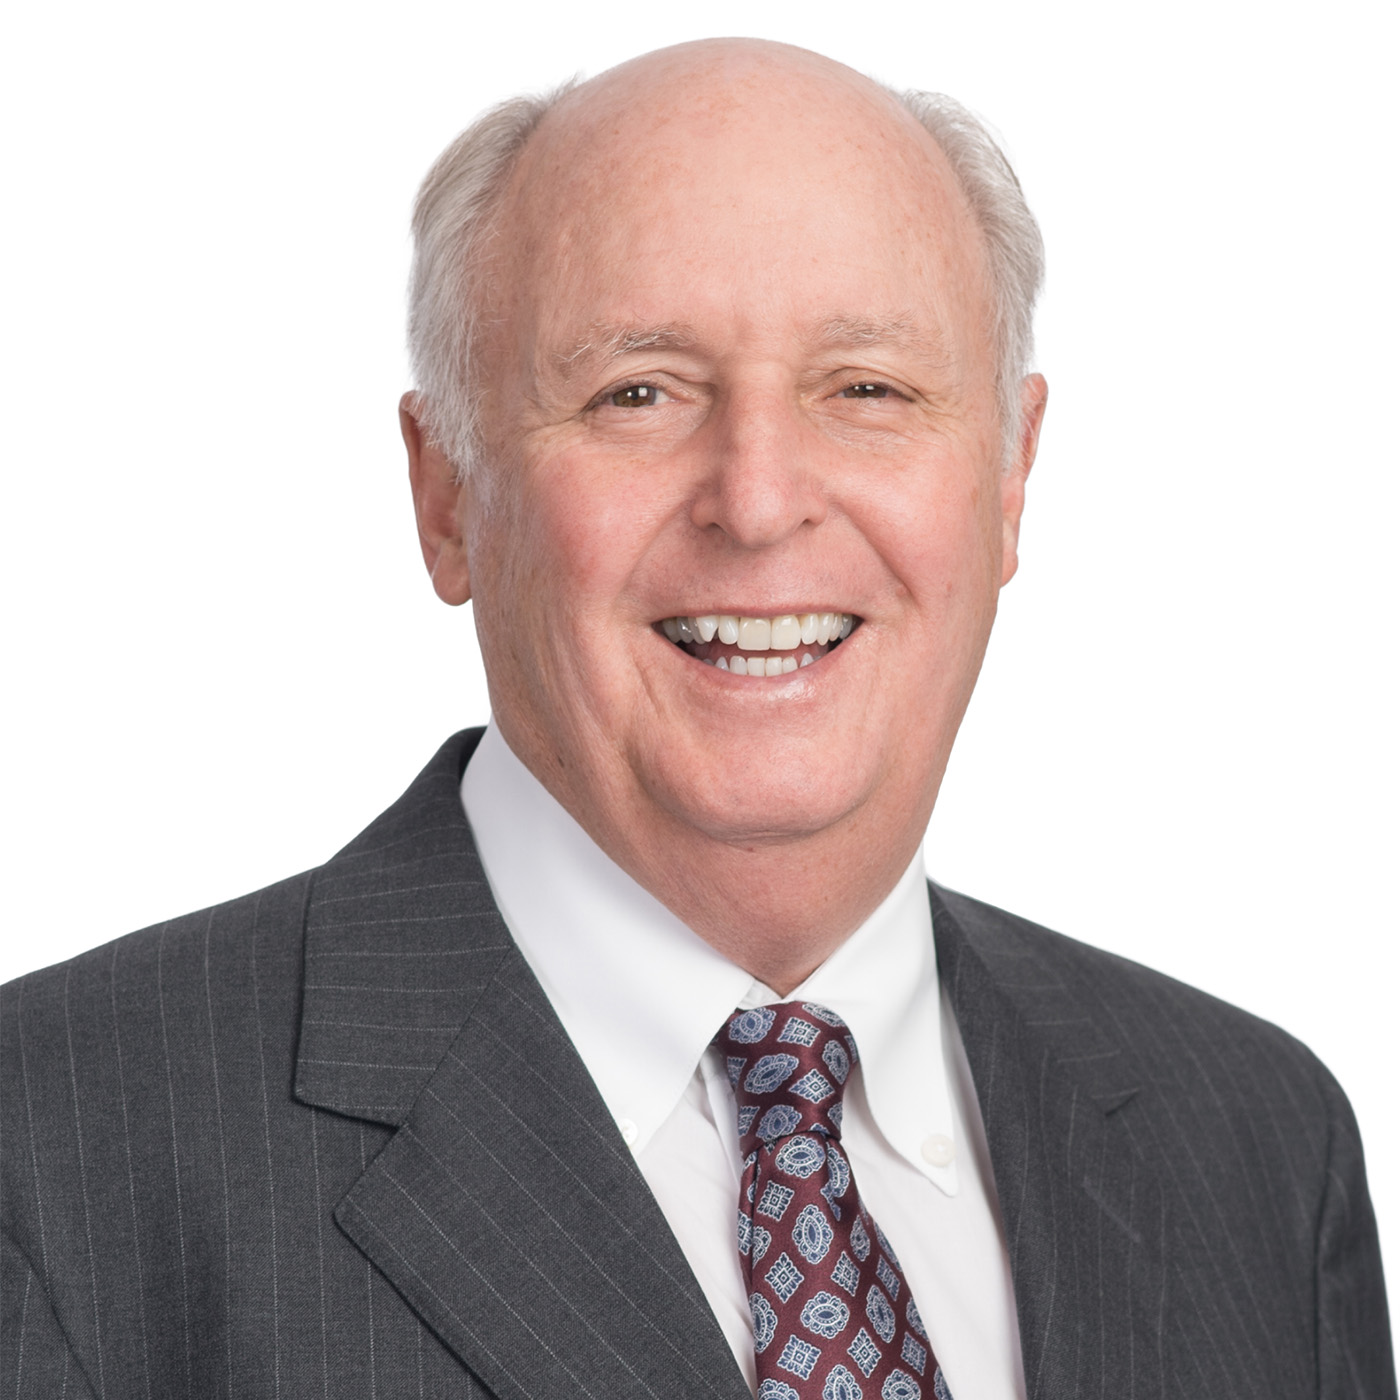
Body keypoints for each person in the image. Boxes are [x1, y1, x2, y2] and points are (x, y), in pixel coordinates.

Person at [1, 37, 1392, 1400]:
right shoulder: (53, 1151)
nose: (760, 499)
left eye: (868, 388)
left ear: (1012, 474)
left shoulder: (1261, 1147)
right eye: (639, 393)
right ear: (446, 496)